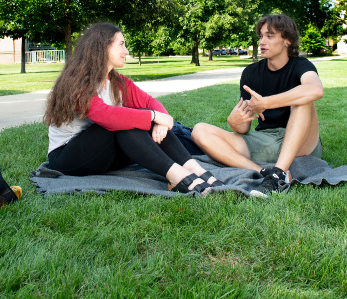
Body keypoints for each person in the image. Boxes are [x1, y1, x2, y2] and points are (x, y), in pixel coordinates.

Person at [44, 22, 222, 195]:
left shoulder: (117, 82)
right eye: (121, 44)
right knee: (126, 121)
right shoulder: (78, 82)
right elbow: (105, 116)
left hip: (104, 156)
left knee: (138, 119)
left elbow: (149, 102)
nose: (126, 51)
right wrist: (154, 116)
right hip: (69, 158)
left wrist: (160, 121)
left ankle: (193, 168)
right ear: (102, 47)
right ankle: (177, 176)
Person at [192, 14, 324, 194]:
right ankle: (263, 172)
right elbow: (244, 128)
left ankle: (280, 174)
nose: (262, 41)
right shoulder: (251, 73)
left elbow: (316, 90)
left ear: (288, 41)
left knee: (302, 98)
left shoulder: (301, 65)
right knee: (200, 130)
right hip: (265, 140)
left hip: (302, 142)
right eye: (261, 36)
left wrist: (266, 103)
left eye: (270, 36)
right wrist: (235, 122)